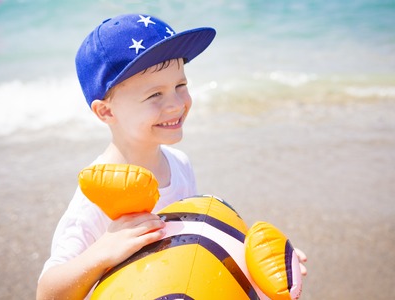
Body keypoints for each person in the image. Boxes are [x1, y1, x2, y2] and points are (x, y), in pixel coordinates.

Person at [37, 13, 306, 299]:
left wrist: (258, 260)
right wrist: (101, 253)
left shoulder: (179, 164)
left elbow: (191, 244)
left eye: (181, 85)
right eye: (155, 95)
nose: (177, 104)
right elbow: (47, 292)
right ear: (107, 111)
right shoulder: (94, 199)